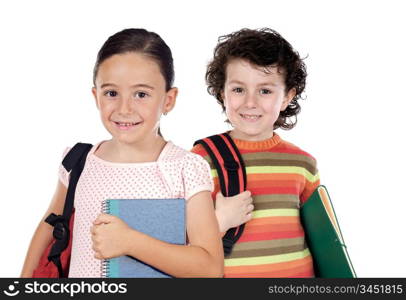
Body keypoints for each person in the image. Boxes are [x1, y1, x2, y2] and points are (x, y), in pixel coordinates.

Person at [21, 28, 223, 278]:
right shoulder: (78, 161)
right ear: (96, 96)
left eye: (141, 94)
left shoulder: (185, 168)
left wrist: (130, 242)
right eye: (111, 93)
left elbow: (209, 268)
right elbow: (49, 227)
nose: (124, 108)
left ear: (169, 100)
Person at [191, 28, 320, 277]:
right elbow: (175, 241)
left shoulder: (303, 163)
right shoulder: (200, 159)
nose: (250, 102)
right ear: (222, 93)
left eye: (265, 91)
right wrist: (218, 222)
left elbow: (319, 235)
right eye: (238, 89)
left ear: (287, 97)